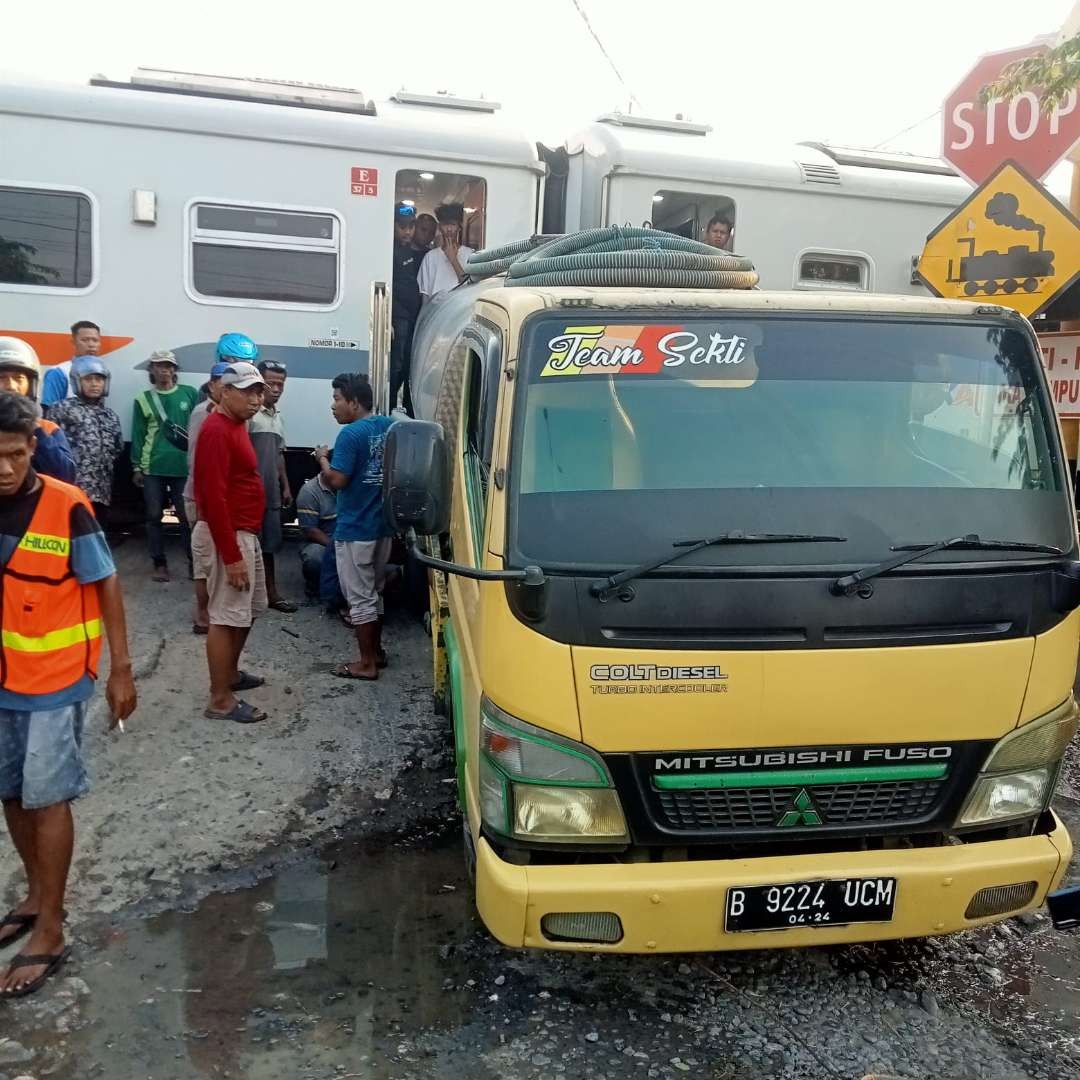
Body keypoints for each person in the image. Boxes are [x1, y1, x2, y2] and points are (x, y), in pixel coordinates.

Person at [0, 391, 136, 999]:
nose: (5, 468)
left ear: (33, 449)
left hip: (55, 679)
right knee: (11, 793)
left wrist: (122, 671)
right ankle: (33, 895)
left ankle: (51, 929)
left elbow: (106, 585)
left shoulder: (66, 506)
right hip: (3, 681)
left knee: (48, 798)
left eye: (15, 455)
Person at [192, 361, 269, 724]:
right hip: (230, 536)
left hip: (243, 533)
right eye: (248, 391)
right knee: (224, 617)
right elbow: (213, 497)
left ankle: (231, 676)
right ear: (223, 392)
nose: (256, 398)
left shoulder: (236, 425)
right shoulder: (216, 430)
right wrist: (232, 555)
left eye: (259, 391)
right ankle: (219, 699)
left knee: (246, 612)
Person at [314, 373, 394, 681]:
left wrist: (323, 459)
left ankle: (365, 664)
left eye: (337, 399)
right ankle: (377, 653)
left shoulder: (349, 435)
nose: (333, 406)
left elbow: (337, 480)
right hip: (382, 526)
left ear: (354, 402)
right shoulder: (388, 426)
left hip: (356, 527)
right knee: (375, 591)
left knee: (359, 598)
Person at [131, 349, 198, 582]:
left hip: (182, 465)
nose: (164, 370)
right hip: (153, 466)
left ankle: (194, 563)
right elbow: (138, 435)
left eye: (169, 366)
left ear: (174, 370)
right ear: (151, 370)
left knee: (187, 516)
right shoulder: (143, 399)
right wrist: (136, 467)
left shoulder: (190, 394)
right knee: (153, 516)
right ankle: (159, 563)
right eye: (159, 366)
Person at [47, 357, 123, 531]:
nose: (95, 384)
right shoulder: (61, 409)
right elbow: (50, 446)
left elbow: (117, 448)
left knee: (97, 534)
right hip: (71, 488)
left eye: (99, 379)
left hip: (102, 491)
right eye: (88, 379)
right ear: (77, 381)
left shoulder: (110, 415)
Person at [185, 360, 231, 634]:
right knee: (204, 561)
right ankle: (203, 617)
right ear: (212, 385)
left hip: (209, 495)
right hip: (199, 496)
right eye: (222, 384)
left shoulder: (221, 413)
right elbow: (196, 459)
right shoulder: (204, 413)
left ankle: (209, 613)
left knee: (211, 559)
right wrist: (204, 500)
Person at [250, 359, 295, 613]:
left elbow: (279, 455)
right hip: (249, 495)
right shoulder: (249, 415)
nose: (276, 388)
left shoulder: (277, 418)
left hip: (272, 494)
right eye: (271, 383)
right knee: (247, 546)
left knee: (268, 547)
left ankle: (271, 594)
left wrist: (286, 487)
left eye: (281, 384)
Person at [0, 338, 77, 484]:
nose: (10, 386)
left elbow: (66, 476)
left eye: (19, 378)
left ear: (31, 385)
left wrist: (35, 428)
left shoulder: (48, 429)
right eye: (1, 377)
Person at [391, 203, 422, 414]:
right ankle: (390, 405)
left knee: (409, 365)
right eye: (402, 226)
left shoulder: (412, 252)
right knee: (397, 367)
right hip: (399, 319)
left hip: (413, 319)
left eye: (411, 226)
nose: (407, 231)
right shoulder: (389, 252)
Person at [418, 204, 473, 304]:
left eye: (452, 224)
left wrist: (453, 259)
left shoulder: (470, 254)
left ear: (459, 227)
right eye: (445, 224)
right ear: (439, 227)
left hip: (460, 312)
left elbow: (471, 287)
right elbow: (425, 296)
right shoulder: (430, 257)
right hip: (435, 313)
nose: (449, 229)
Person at [295, 472, 338, 599]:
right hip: (321, 541)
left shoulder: (347, 485)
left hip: (344, 537)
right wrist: (336, 548)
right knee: (315, 558)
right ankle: (314, 584)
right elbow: (310, 531)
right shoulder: (309, 491)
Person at [40, 321, 101, 410]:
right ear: (73, 342)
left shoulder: (101, 374)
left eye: (95, 340)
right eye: (85, 340)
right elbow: (48, 412)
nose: (91, 345)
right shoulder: (59, 372)